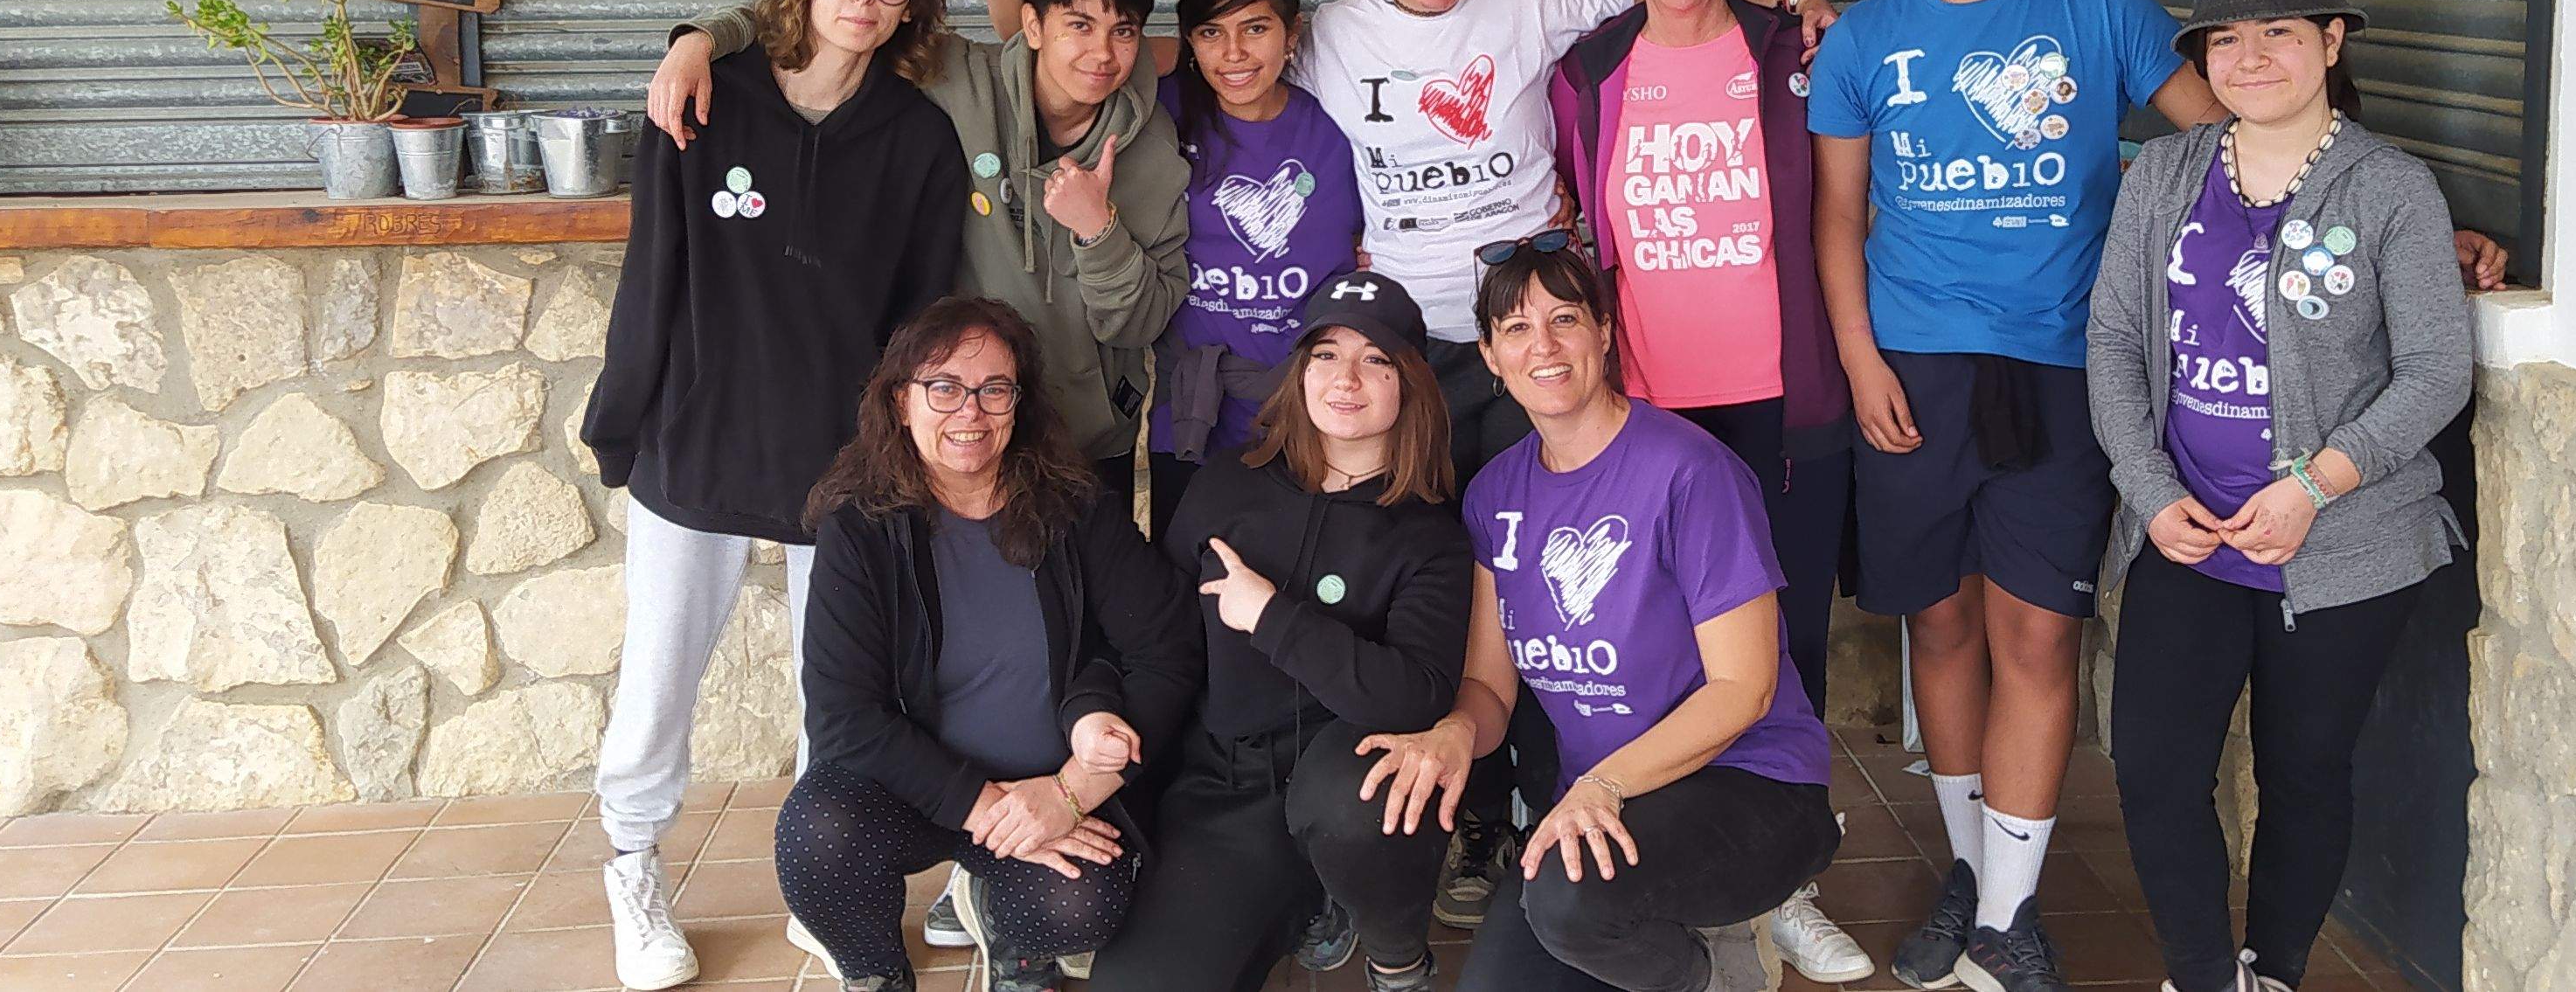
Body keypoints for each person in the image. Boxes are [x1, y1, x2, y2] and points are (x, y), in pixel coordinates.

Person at [1292, 0, 1829, 920]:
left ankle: (1554, 809)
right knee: (1439, 584)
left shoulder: (1535, 0)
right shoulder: (1331, 32)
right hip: (1412, 348)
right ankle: (1459, 808)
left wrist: (1799, 4)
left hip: (1524, 344)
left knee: (1539, 585)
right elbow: (1223, 58)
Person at [1806, 0, 2225, 992]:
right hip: (1914, 370)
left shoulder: (2100, 8)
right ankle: (1970, 872)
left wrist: (2381, 207)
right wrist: (1859, 357)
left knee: (2037, 630)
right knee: (1936, 619)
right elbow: (1838, 219)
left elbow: (2213, 138)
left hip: (2063, 361)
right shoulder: (1868, 42)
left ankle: (2010, 912)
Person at [580, 0, 969, 991]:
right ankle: (631, 861)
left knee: (833, 686)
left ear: (909, 8)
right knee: (659, 672)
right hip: (698, 436)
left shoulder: (917, 137)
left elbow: (920, 310)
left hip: (838, 459)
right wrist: (627, 415)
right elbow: (652, 268)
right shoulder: (708, 98)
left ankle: (822, 879)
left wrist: (916, 450)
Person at [2086, 0, 2470, 992]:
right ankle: (2206, 975)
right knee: (2158, 773)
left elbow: (2438, 370)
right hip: (2187, 533)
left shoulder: (2390, 188)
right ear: (2202, 58)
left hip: (2343, 544)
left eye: (2279, 31)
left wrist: (2315, 482)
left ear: (2332, 41)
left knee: (2305, 771)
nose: (2250, 58)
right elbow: (2113, 338)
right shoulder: (2161, 176)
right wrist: (2149, 492)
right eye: (2226, 39)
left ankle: (2276, 971)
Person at [1543, 0, 1870, 982]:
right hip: (1653, 414)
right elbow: (1582, 228)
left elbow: (1840, 208)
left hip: (1785, 401)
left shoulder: (1796, 50)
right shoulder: (1588, 74)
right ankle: (1680, 856)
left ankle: (1793, 880)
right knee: (1660, 644)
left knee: (1790, 645)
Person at [1355, 239, 1841, 992]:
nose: (1542, 346)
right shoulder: (1495, 495)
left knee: (1573, 904)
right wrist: (1453, 733)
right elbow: (1491, 686)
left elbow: (1744, 689)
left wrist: (1604, 786)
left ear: (1606, 333)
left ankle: (1710, 976)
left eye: (1565, 319)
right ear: (1488, 354)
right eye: (1515, 329)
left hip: (1749, 784)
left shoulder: (1691, 470)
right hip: (1604, 802)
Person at [648, 0, 1194, 488]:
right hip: (966, 434)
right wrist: (699, 39)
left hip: (1089, 441)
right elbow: (848, 17)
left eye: (1123, 32)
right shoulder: (964, 78)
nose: (1101, 52)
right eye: (1080, 26)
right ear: (1034, 26)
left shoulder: (1153, 149)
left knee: (1090, 586)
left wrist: (1101, 231)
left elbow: (1142, 323)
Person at [778, 296, 1203, 992]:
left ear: (1019, 404)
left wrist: (1073, 791)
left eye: (993, 390)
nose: (969, 412)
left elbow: (1170, 651)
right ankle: (875, 973)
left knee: (1076, 907)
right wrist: (985, 808)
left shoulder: (1076, 506)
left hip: (1051, 780)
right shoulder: (861, 526)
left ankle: (1018, 949)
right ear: (899, 401)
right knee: (816, 838)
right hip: (919, 786)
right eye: (943, 388)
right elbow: (841, 714)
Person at [1092, 272, 1469, 992]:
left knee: (1351, 806)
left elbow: (1417, 694)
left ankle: (1390, 947)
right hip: (1228, 792)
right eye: (1325, 354)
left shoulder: (1429, 532)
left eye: (1376, 359)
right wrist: (1094, 714)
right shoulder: (1230, 481)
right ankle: (1298, 905)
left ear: (1411, 383)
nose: (1345, 379)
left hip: (1347, 792)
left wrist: (1270, 617)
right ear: (1299, 372)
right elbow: (1152, 637)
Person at [1147, 0, 1365, 539]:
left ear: (1292, 32)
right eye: (1211, 33)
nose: (1234, 54)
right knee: (1190, 595)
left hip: (1318, 411)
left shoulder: (1337, 122)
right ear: (1188, 41)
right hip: (1195, 412)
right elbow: (1051, 53)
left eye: (1256, 28)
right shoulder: (1159, 114)